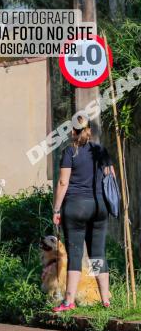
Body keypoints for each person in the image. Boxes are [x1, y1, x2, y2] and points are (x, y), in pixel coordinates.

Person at [52, 115, 113, 311]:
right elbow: (110, 177)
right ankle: (105, 299)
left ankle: (69, 302)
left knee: (75, 254)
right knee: (98, 254)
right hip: (99, 207)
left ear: (73, 131)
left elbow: (63, 183)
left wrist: (56, 209)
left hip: (76, 208)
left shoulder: (70, 151)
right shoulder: (100, 151)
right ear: (89, 130)